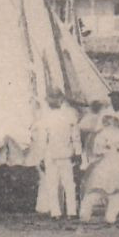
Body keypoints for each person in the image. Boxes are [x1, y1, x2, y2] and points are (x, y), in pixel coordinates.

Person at [33, 91, 82, 219]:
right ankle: (72, 212)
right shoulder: (69, 116)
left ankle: (56, 213)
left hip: (51, 154)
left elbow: (43, 140)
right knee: (69, 184)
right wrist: (78, 153)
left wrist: (41, 157)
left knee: (52, 184)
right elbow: (76, 137)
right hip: (65, 153)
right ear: (60, 101)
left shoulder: (45, 119)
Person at [80, 115, 119, 224]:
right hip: (117, 164)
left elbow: (96, 151)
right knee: (116, 192)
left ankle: (85, 214)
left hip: (106, 164)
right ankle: (110, 217)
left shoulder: (100, 135)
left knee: (97, 189)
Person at [77, 99, 107, 170]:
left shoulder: (100, 116)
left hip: (97, 136)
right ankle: (87, 163)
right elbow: (81, 127)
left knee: (93, 151)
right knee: (87, 150)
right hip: (89, 136)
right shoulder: (89, 116)